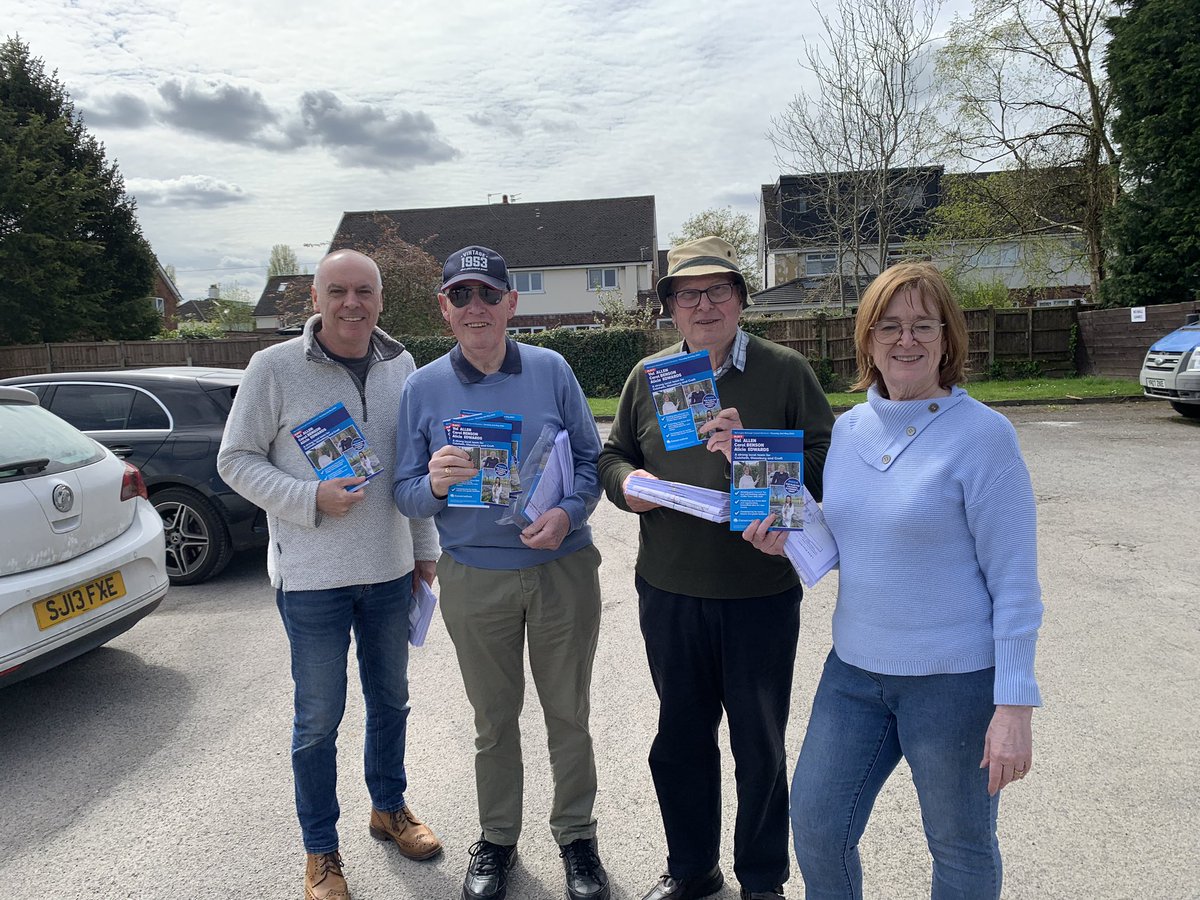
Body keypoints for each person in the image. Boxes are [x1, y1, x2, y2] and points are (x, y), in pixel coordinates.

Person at [745, 262, 1043, 899]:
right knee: (817, 826)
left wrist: (1014, 705)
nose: (905, 340)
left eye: (922, 326)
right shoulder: (851, 428)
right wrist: (783, 535)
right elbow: (841, 546)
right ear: (868, 340)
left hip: (953, 681)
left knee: (960, 846)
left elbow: (1016, 581)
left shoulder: (984, 436)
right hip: (854, 674)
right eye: (889, 326)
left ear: (947, 337)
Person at [598, 235, 834, 900]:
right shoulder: (649, 376)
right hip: (670, 589)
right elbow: (612, 455)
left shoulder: (785, 371)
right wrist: (627, 485)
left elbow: (827, 463)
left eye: (717, 291)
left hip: (759, 592)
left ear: (740, 299)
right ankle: (692, 869)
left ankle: (762, 879)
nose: (703, 305)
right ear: (670, 307)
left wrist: (752, 452)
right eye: (687, 294)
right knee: (680, 741)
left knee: (760, 746)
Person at [217, 249, 443, 900]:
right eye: (337, 290)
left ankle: (389, 808)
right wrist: (308, 497)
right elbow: (235, 459)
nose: (352, 303)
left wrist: (424, 550)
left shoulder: (403, 365)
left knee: (391, 702)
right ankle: (321, 850)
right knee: (318, 720)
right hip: (311, 578)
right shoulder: (273, 367)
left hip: (390, 570)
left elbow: (412, 466)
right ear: (315, 299)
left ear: (380, 299)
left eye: (364, 291)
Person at [395, 245, 609, 900]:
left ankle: (577, 837)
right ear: (444, 308)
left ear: (511, 303)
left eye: (489, 294)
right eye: (461, 295)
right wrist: (434, 484)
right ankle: (497, 838)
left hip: (561, 568)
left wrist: (569, 514)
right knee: (493, 721)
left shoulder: (552, 369)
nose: (476, 307)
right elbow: (405, 493)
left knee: (568, 713)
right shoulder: (422, 387)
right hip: (473, 576)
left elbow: (592, 462)